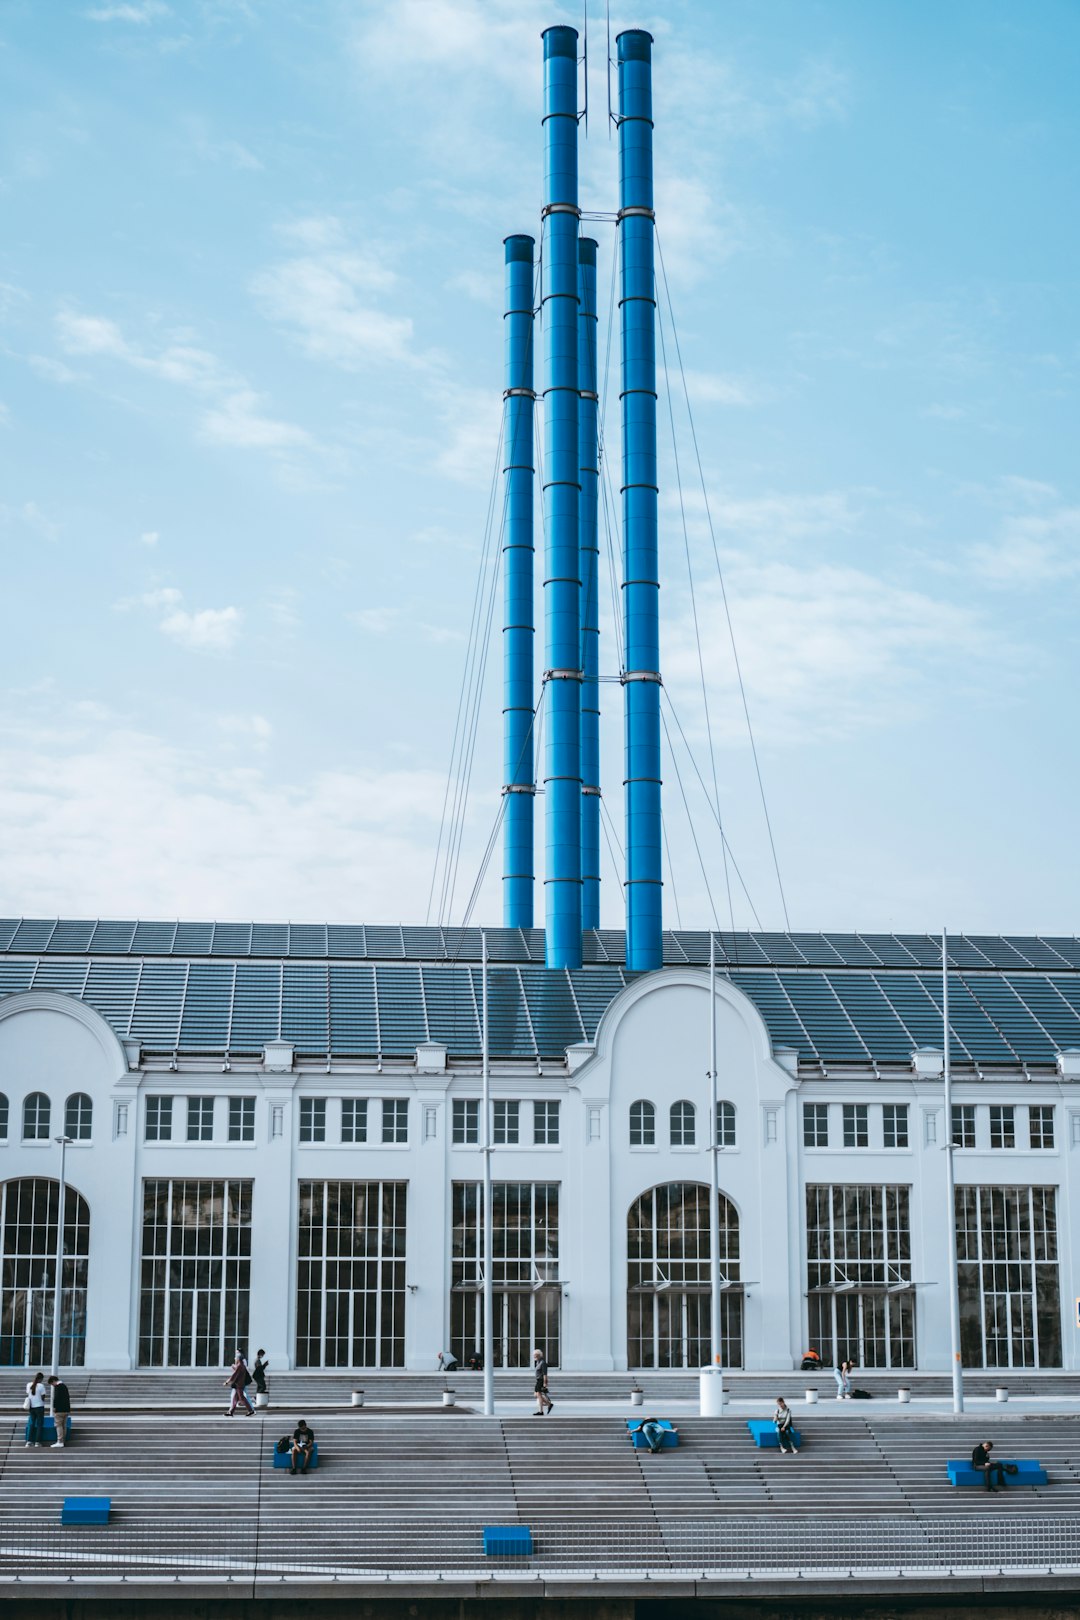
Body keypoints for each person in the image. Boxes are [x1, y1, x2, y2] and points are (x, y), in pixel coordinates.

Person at [48, 1374, 71, 1448]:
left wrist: (54, 1407)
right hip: (66, 1409)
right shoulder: (64, 1386)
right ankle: (63, 1441)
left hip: (59, 1410)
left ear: (54, 1381)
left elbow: (56, 1398)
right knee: (64, 1425)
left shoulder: (58, 1387)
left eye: (52, 1384)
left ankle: (60, 1441)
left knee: (58, 1425)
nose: (52, 1386)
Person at [24, 1371, 47, 1448]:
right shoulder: (41, 1386)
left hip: (32, 1407)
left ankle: (29, 1441)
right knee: (39, 1424)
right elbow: (43, 1397)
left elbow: (28, 1393)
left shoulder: (29, 1384)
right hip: (39, 1407)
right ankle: (37, 1442)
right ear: (41, 1379)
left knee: (31, 1424)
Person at [532, 1348, 553, 1415]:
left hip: (541, 1380)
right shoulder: (538, 1362)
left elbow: (545, 1374)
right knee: (536, 1394)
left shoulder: (543, 1363)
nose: (534, 1356)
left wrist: (545, 1383)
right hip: (538, 1380)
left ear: (539, 1355)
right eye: (534, 1355)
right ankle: (549, 1404)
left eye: (535, 1355)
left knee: (538, 1394)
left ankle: (541, 1411)